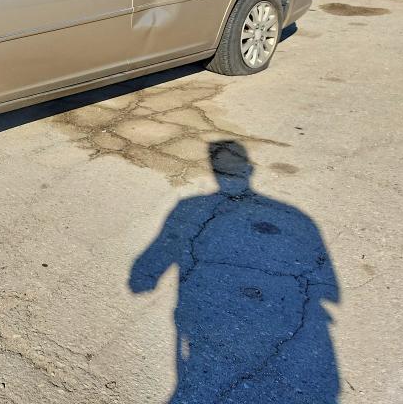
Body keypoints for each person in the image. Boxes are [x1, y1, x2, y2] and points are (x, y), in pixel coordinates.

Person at [129, 141, 339, 403]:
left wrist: (145, 276)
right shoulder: (297, 217)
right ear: (250, 170)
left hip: (203, 322)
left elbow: (147, 268)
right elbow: (329, 288)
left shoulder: (190, 207)